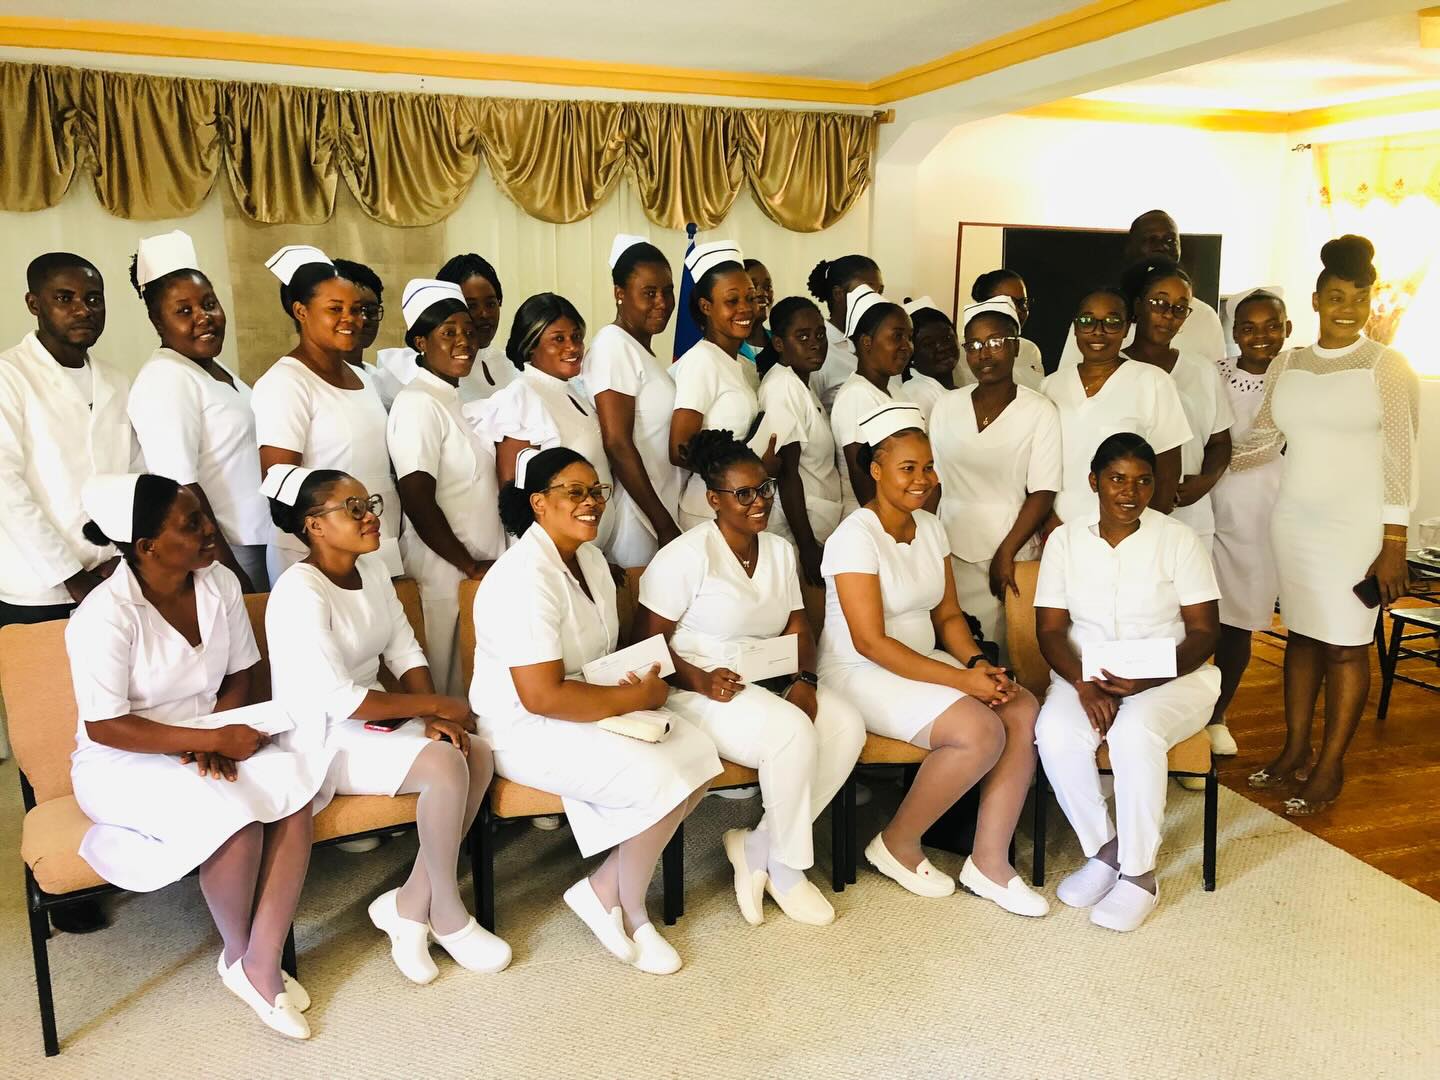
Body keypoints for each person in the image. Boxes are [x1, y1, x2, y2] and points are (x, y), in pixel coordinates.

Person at [66, 473, 325, 1037]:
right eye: (192, 524)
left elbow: (240, 673)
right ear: (147, 546)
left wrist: (216, 731)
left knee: (294, 786)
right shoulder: (103, 616)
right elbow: (106, 725)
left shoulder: (218, 582)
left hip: (210, 735)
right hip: (124, 759)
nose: (211, 530)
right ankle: (241, 956)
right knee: (235, 818)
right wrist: (206, 741)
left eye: (204, 516)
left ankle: (259, 958)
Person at [469, 447, 721, 974]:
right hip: (526, 727)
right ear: (538, 503)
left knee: (698, 752)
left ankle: (605, 889)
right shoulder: (523, 578)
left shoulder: (588, 559)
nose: (591, 502)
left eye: (596, 491)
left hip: (586, 702)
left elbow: (598, 656)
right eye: (574, 492)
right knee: (658, 777)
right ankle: (633, 910)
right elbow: (541, 696)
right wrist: (637, 698)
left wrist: (633, 683)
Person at [263, 464, 511, 984]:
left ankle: (410, 904)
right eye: (353, 508)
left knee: (477, 750)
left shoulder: (372, 570)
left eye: (369, 504)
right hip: (321, 735)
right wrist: (434, 707)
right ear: (314, 525)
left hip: (370, 714)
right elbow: (336, 698)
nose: (370, 516)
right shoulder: (298, 591)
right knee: (444, 766)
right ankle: (448, 914)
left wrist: (432, 713)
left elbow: (403, 650)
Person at [820, 403, 1045, 916]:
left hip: (924, 659)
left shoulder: (930, 527)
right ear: (876, 470)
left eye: (927, 467)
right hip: (859, 671)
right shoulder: (853, 537)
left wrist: (976, 665)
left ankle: (989, 862)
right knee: (979, 731)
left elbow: (947, 616)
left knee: (1020, 706)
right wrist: (962, 683)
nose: (922, 480)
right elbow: (870, 642)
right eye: (907, 468)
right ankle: (897, 842)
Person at [635, 430, 864, 927]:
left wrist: (806, 679)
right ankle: (789, 870)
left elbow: (799, 624)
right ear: (713, 500)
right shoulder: (684, 557)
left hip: (769, 678)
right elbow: (645, 646)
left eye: (764, 489)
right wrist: (699, 680)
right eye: (743, 494)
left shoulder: (779, 550)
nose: (759, 502)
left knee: (846, 725)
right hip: (698, 689)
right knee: (790, 731)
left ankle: (759, 846)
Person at [1233, 236, 1419, 815]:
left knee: (1345, 645)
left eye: (1359, 298)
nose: (1348, 309)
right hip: (1295, 523)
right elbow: (1262, 439)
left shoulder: (1387, 367)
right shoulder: (1288, 363)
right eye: (1337, 297)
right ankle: (1295, 749)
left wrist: (1394, 543)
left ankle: (1330, 765)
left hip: (1357, 530)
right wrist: (1189, 471)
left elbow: (1401, 458)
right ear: (1315, 301)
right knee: (1303, 637)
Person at [1033, 433, 1222, 932]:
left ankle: (1140, 875)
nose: (1129, 492)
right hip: (1086, 673)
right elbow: (1049, 629)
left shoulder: (1177, 540)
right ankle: (1106, 851)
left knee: (1134, 734)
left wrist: (1147, 679)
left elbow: (1205, 632)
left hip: (1172, 676)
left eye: (1142, 481)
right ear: (1094, 481)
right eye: (1117, 478)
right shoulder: (1065, 541)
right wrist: (1082, 683)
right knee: (1055, 732)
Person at [0, 250, 136, 936]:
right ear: (34, 304)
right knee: (48, 732)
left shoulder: (115, 381)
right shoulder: (8, 378)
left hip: (114, 575)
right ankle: (64, 876)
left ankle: (121, 845)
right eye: (65, 297)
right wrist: (71, 573)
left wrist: (124, 559)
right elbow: (7, 489)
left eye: (93, 297)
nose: (83, 309)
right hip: (38, 584)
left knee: (113, 715)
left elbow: (133, 479)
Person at [127, 230, 270, 592]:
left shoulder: (214, 370)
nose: (204, 317)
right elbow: (180, 484)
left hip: (259, 538)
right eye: (184, 311)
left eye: (209, 303)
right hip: (228, 548)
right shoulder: (165, 378)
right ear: (157, 321)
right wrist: (226, 565)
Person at [252, 246, 401, 582]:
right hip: (320, 555)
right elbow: (280, 482)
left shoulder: (363, 378)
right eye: (335, 309)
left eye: (356, 309)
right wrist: (330, 551)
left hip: (372, 540)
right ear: (301, 311)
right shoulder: (286, 382)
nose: (351, 319)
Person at [386, 279, 505, 695]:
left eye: (468, 331)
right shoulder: (417, 403)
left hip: (476, 568)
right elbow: (416, 498)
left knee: (476, 680)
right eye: (448, 332)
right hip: (442, 570)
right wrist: (467, 564)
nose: (464, 342)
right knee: (447, 683)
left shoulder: (453, 399)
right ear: (421, 342)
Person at [929, 297, 1061, 657]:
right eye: (973, 345)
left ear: (1015, 346)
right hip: (949, 547)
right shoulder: (946, 405)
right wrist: (921, 543)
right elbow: (934, 482)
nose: (984, 354)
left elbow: (1043, 492)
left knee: (1004, 651)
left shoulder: (1039, 411)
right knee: (952, 649)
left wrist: (1006, 553)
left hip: (1008, 550)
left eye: (995, 342)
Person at [1206, 291, 1291, 757]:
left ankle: (1218, 716)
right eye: (1249, 327)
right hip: (1205, 504)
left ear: (1287, 328)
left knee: (1236, 622)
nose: (1261, 336)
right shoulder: (1214, 373)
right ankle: (1181, 714)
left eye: (1271, 325)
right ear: (1234, 331)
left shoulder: (1295, 379)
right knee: (1192, 616)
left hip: (1261, 512)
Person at [466, 292, 614, 551]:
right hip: (552, 557)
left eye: (576, 337)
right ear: (531, 345)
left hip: (589, 552)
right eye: (558, 339)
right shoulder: (521, 398)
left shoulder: (573, 391)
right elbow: (515, 499)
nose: (572, 347)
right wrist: (554, 560)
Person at [1043, 287, 1190, 525]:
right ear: (1075, 327)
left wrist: (1144, 532)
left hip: (1128, 529)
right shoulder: (1050, 386)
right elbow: (1039, 468)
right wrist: (1049, 524)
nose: (1098, 331)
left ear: (1126, 328)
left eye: (1112, 322)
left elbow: (1168, 472)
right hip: (1059, 528)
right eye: (1087, 321)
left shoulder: (1153, 382)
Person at [1120, 258, 1234, 551]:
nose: (1168, 315)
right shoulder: (1113, 368)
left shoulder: (1202, 371)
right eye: (1159, 303)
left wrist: (1206, 481)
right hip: (1124, 513)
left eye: (1180, 308)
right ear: (1138, 306)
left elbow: (1220, 441)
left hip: (1190, 514)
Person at [582, 235, 682, 566]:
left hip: (659, 507)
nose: (662, 302)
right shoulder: (613, 345)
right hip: (638, 518)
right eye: (649, 293)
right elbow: (617, 443)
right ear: (619, 293)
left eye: (667, 291)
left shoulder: (640, 349)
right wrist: (662, 524)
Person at [669, 241, 765, 530]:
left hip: (742, 504)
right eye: (732, 301)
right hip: (707, 510)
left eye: (750, 298)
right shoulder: (702, 361)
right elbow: (679, 449)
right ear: (706, 306)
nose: (745, 308)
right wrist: (746, 471)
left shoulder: (744, 364)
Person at [1058, 211, 1228, 370]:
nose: (1162, 247)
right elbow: (1071, 375)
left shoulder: (1205, 316)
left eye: (1170, 241)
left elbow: (1216, 378)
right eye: (1151, 240)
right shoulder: (1098, 310)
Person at [754, 296, 841, 586]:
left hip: (818, 525)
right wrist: (807, 549)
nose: (815, 344)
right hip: (798, 534)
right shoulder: (783, 387)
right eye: (802, 336)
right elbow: (787, 474)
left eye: (820, 334)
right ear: (779, 343)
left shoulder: (801, 382)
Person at [374, 253, 512, 408]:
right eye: (471, 306)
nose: (484, 314)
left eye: (491, 304)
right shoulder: (404, 374)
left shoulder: (509, 366)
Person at [829, 285, 909, 517]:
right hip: (872, 517)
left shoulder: (895, 392)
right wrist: (885, 526)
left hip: (897, 514)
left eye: (909, 337)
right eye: (897, 336)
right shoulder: (856, 395)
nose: (906, 346)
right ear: (866, 342)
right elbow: (862, 476)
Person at [807, 254, 884, 411]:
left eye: (880, 291)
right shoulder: (817, 349)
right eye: (868, 291)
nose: (877, 299)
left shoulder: (882, 344)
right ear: (838, 294)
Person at [970, 271, 1045, 389]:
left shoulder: (1030, 350)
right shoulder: (965, 354)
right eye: (1009, 303)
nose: (1018, 311)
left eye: (1022, 303)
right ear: (983, 305)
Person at [898, 297, 960, 419]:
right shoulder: (915, 395)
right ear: (911, 354)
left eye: (947, 338)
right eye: (928, 344)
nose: (942, 348)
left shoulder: (962, 384)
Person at [332, 259, 385, 377]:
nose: (364, 319)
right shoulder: (300, 380)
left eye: (372, 311)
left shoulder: (381, 381)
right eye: (354, 310)